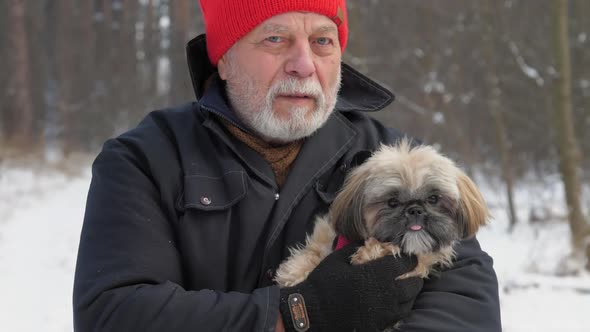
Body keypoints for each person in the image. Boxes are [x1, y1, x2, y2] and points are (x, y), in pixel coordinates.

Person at [73, 0, 501, 331]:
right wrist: (296, 314)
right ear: (223, 58)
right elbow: (113, 312)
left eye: (322, 41)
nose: (304, 64)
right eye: (275, 39)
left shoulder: (392, 157)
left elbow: (468, 295)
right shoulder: (144, 160)